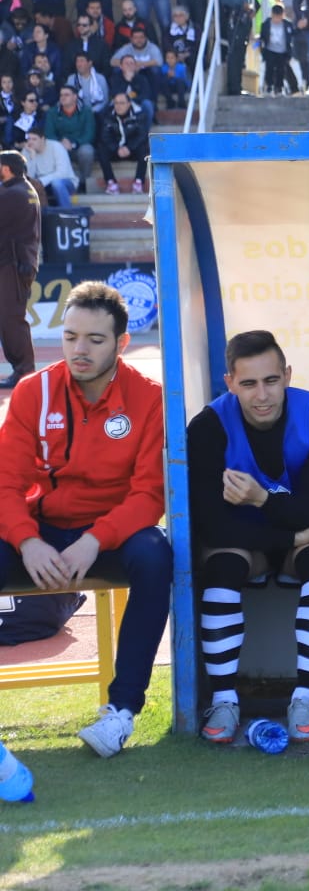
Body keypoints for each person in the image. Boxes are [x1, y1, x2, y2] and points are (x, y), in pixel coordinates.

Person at [0, 282, 169, 757]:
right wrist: (26, 540)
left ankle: (121, 712)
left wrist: (96, 539)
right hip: (43, 535)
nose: (80, 349)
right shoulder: (35, 391)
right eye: (72, 336)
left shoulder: (150, 397)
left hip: (112, 535)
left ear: (122, 343)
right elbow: (6, 484)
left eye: (95, 340)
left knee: (157, 556)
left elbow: (149, 494)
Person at [187, 331, 309, 743]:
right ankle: (223, 699)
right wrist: (290, 535)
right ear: (230, 383)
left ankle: (306, 696)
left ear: (287, 375)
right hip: (248, 544)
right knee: (221, 560)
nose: (262, 395)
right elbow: (211, 525)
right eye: (249, 384)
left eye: (271, 381)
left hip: (294, 540)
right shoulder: (208, 426)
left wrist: (260, 500)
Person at [0, 151, 39, 386]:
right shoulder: (26, 190)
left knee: (11, 319)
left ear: (6, 169)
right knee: (11, 317)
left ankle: (24, 370)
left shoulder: (11, 194)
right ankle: (23, 369)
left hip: (12, 265)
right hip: (19, 262)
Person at [96, 92, 148, 196]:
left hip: (132, 150)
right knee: (101, 148)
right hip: (115, 151)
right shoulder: (107, 115)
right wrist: (116, 149)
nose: (118, 106)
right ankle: (111, 183)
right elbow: (105, 136)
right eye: (116, 103)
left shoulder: (139, 114)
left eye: (122, 103)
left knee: (144, 148)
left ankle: (138, 182)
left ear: (129, 104)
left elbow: (142, 135)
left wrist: (129, 147)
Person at [21, 127, 74, 207]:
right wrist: (33, 157)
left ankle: (67, 213)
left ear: (42, 139)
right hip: (41, 186)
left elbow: (62, 173)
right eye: (29, 139)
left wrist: (41, 181)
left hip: (65, 183)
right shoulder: (27, 151)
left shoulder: (57, 146)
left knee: (57, 183)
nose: (30, 142)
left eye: (34, 139)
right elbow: (28, 177)